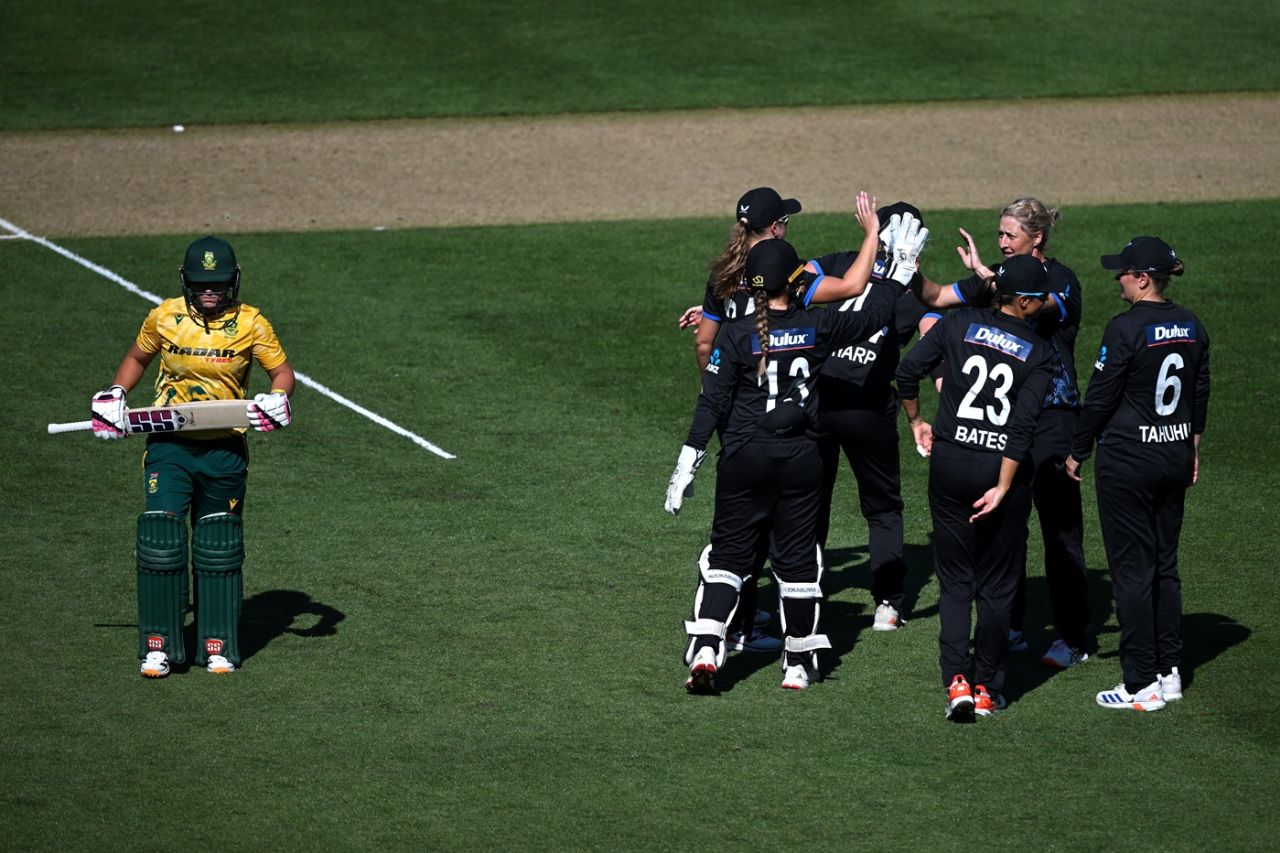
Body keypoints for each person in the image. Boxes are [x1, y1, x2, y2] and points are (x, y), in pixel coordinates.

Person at [664, 205, 928, 694]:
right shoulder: (818, 327)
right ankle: (798, 665)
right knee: (799, 564)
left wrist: (688, 460)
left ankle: (706, 649)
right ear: (794, 282)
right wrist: (900, 272)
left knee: (727, 558)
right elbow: (872, 312)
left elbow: (711, 404)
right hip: (802, 461)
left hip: (744, 458)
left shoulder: (738, 335)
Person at [90, 235, 295, 677]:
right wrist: (116, 394)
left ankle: (216, 643)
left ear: (233, 282)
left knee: (217, 544)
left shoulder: (252, 324)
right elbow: (137, 357)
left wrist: (279, 398)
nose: (210, 291)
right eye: (203, 284)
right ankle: (158, 644)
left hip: (224, 450)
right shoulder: (165, 317)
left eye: (218, 284)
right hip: (170, 446)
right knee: (161, 537)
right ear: (186, 281)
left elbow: (281, 373)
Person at [915, 198, 1092, 668]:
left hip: (1052, 420)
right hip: (1001, 424)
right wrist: (905, 267)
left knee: (1059, 532)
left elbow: (1031, 307)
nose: (1001, 243)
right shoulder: (1002, 274)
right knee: (1001, 528)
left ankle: (1073, 636)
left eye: (1010, 235)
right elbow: (935, 299)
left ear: (1036, 238)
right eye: (998, 235)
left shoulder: (1059, 280)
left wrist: (990, 280)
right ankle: (1009, 626)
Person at [896, 254, 1055, 721]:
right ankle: (987, 684)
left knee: (955, 583)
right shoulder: (1039, 353)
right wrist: (1004, 486)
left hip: (950, 464)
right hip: (998, 470)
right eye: (1040, 296)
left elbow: (907, 374)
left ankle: (957, 682)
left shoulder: (957, 323)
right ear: (1023, 302)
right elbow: (1021, 429)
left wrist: (917, 423)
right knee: (998, 586)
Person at [1065, 237, 1209, 712]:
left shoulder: (1125, 328)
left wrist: (1077, 450)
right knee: (1165, 565)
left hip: (1128, 461)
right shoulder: (1191, 324)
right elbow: (1199, 388)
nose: (1117, 278)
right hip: (1173, 456)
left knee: (1131, 571)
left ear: (1143, 279)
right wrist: (1192, 444)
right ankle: (1169, 672)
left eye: (1123, 272)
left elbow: (1101, 396)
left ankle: (1139, 681)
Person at [806, 202, 940, 632]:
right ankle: (888, 604)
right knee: (882, 509)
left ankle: (803, 588)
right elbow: (936, 345)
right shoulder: (911, 292)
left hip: (818, 400)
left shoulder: (839, 263)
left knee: (809, 502)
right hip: (868, 411)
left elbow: (783, 281)